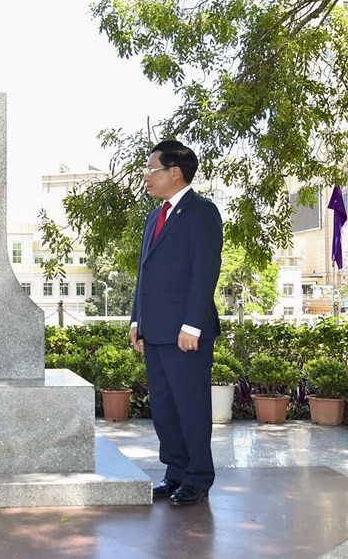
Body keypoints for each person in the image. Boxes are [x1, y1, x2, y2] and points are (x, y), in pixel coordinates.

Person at [129, 140, 222, 507]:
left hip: (186, 333)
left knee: (190, 405)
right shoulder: (155, 216)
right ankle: (176, 471)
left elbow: (205, 272)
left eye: (151, 169)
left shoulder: (201, 212)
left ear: (175, 172)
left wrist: (192, 326)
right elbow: (144, 273)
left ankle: (198, 477)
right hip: (154, 330)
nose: (146, 176)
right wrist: (137, 320)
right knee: (165, 408)